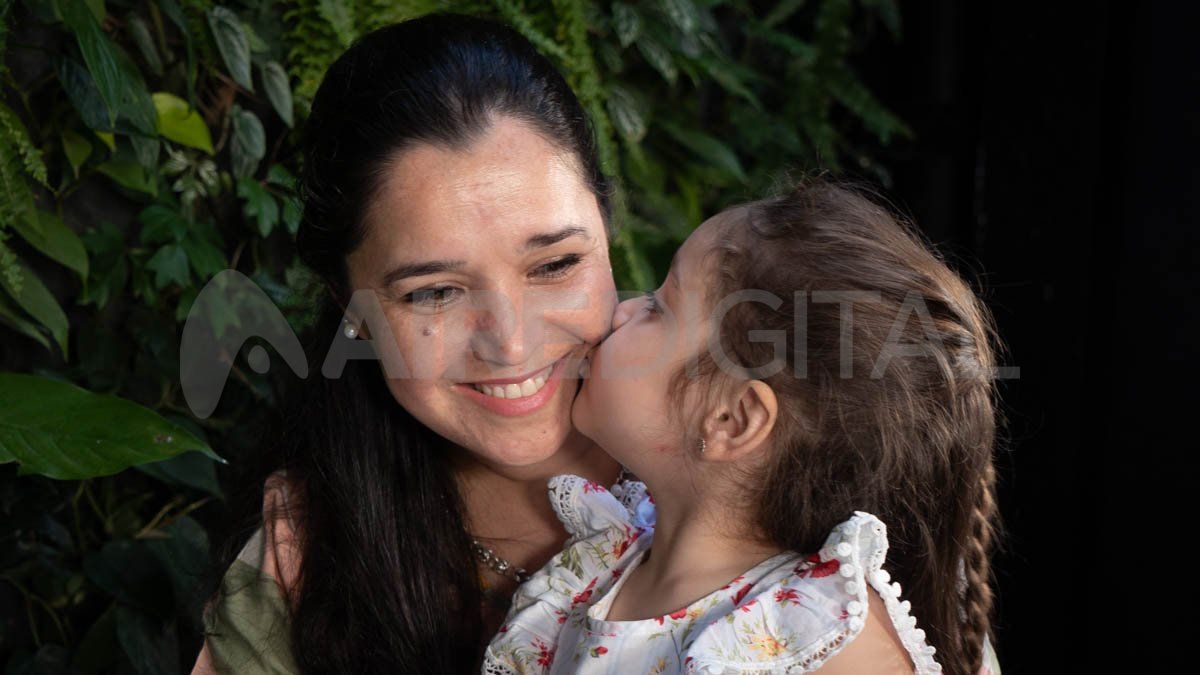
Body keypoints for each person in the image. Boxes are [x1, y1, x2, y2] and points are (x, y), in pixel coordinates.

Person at [190, 14, 632, 673]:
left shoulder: (766, 454)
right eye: (434, 292)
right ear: (353, 311)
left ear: (606, 230)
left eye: (554, 265)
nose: (510, 343)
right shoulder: (305, 561)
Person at [484, 180, 1004, 674]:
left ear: (733, 419)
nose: (621, 311)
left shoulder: (818, 640)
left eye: (659, 308)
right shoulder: (592, 570)